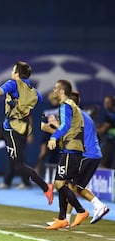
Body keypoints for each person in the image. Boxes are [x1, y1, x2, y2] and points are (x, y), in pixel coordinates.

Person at [0, 61, 54, 204]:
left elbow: (2, 89)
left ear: (17, 74)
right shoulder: (34, 92)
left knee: (19, 166)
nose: (12, 72)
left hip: (13, 131)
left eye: (13, 70)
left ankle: (46, 187)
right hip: (9, 127)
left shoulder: (14, 83)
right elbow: (39, 99)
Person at [45, 92, 109, 227]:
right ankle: (65, 219)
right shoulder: (83, 115)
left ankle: (99, 206)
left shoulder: (76, 116)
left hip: (87, 154)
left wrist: (52, 126)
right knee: (69, 184)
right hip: (92, 154)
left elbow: (70, 134)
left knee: (72, 186)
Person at [43, 80, 89, 230]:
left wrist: (53, 136)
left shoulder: (66, 105)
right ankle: (62, 219)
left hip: (71, 150)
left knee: (58, 184)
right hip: (73, 149)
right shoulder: (72, 106)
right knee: (64, 183)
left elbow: (65, 126)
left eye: (56, 88)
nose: (54, 90)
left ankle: (81, 211)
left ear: (62, 91)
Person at [97, 96, 115, 168]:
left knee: (103, 166)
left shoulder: (110, 116)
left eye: (108, 102)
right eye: (105, 102)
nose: (106, 104)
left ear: (113, 103)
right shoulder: (106, 115)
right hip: (107, 144)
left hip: (108, 145)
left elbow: (102, 130)